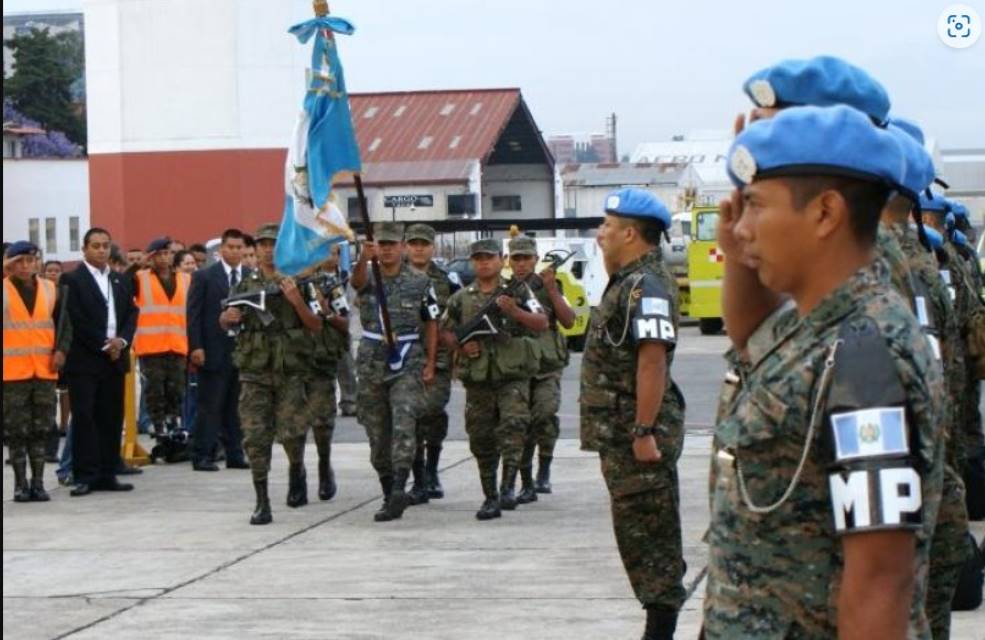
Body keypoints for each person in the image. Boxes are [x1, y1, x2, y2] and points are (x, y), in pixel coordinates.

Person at [703, 105, 944, 639]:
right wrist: (741, 251)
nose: (740, 229)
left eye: (755, 206)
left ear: (825, 213)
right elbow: (750, 336)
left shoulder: (867, 353)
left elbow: (879, 581)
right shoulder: (814, 328)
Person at [578, 189, 685, 640]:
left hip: (636, 438)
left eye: (607, 226)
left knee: (651, 542)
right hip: (621, 436)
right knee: (638, 539)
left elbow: (652, 360)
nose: (600, 234)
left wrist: (643, 430)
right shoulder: (627, 282)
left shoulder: (646, 286)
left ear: (629, 234)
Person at [219, 223, 322, 525]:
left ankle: (296, 469)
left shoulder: (300, 282)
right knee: (255, 436)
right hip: (254, 371)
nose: (267, 250)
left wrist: (296, 301)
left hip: (290, 370)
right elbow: (228, 321)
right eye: (262, 244)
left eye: (273, 244)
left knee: (292, 432)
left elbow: (317, 324)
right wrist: (226, 318)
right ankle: (262, 500)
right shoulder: (245, 284)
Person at [441, 238, 548, 520]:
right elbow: (446, 331)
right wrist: (461, 346)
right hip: (478, 378)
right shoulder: (461, 298)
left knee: (513, 428)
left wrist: (515, 311)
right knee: (481, 438)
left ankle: (508, 487)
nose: (484, 263)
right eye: (478, 258)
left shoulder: (518, 291)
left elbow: (542, 322)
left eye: (489, 257)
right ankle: (489, 496)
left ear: (501, 260)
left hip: (512, 375)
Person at [351, 223, 440, 522]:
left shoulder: (420, 281)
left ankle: (401, 486)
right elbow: (356, 283)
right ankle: (389, 492)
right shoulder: (368, 276)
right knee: (377, 433)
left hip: (408, 359)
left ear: (401, 247)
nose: (387, 249)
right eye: (382, 244)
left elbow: (431, 322)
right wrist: (363, 259)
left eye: (392, 244)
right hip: (372, 361)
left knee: (404, 423)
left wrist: (430, 363)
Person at [56, 227, 140, 497]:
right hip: (85, 360)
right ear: (84, 249)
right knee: (85, 417)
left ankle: (107, 473)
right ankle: (85, 475)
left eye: (105, 245)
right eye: (96, 246)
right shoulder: (72, 279)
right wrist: (105, 345)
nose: (102, 250)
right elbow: (74, 318)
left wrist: (121, 341)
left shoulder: (120, 279)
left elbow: (131, 313)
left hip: (115, 359)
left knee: (111, 417)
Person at [509, 235, 575, 501]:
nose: (521, 264)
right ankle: (525, 480)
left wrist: (551, 289)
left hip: (547, 366)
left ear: (536, 259)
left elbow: (569, 321)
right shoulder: (506, 291)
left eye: (526, 258)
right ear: (509, 261)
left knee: (545, 415)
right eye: (516, 258)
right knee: (521, 424)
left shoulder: (550, 285)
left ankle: (544, 470)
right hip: (518, 367)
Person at [3, 241, 66, 501]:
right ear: (9, 264)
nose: (25, 266)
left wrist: (61, 349)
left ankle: (38, 483)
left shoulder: (50, 289)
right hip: (12, 374)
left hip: (44, 371)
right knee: (16, 431)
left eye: (30, 260)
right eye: (19, 261)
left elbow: (64, 324)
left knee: (41, 429)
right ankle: (20, 485)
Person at [404, 223, 460, 502]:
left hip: (437, 360)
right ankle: (418, 480)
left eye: (424, 244)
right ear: (406, 246)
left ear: (432, 247)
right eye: (413, 243)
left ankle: (432, 471)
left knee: (433, 414)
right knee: (411, 418)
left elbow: (459, 316)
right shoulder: (393, 277)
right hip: (404, 359)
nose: (418, 248)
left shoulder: (448, 280)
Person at [186, 228, 250, 471]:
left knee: (235, 407)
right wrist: (196, 346)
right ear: (221, 249)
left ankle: (235, 454)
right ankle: (203, 454)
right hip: (212, 350)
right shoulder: (204, 276)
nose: (235, 251)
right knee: (210, 406)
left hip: (241, 351)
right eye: (230, 247)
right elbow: (193, 314)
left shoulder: (250, 276)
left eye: (239, 247)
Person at [302, 247, 350, 501]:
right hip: (290, 363)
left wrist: (326, 312)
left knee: (322, 421)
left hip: (321, 361)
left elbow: (345, 321)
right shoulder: (283, 284)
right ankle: (296, 471)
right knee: (292, 425)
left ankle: (324, 465)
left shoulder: (330, 285)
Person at [133, 237, 190, 438]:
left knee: (176, 390)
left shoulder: (185, 279)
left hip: (177, 345)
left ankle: (174, 425)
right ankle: (158, 427)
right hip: (151, 347)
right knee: (155, 391)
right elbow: (121, 284)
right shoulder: (140, 278)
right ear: (151, 257)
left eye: (167, 253)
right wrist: (139, 264)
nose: (164, 258)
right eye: (159, 254)